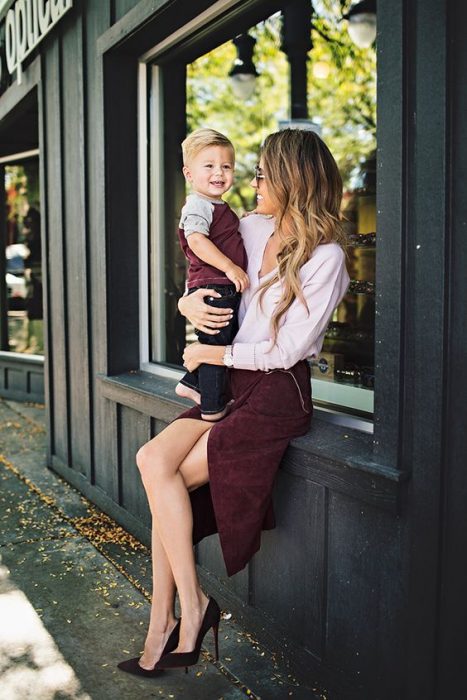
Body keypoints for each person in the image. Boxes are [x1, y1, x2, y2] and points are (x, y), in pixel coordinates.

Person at [117, 128, 350, 679]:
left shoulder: (327, 257)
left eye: (263, 174)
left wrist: (210, 356)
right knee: (153, 461)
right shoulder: (249, 226)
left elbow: (287, 347)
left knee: (166, 479)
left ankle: (172, 622)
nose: (251, 182)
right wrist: (186, 303)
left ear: (291, 180)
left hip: (274, 392)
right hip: (225, 379)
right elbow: (204, 275)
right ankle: (185, 609)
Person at [175, 127, 249, 421]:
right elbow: (196, 241)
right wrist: (230, 267)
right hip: (214, 286)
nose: (219, 172)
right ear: (189, 174)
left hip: (220, 286)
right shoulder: (197, 204)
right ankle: (212, 409)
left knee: (219, 341)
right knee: (216, 349)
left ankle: (190, 384)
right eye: (209, 166)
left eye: (226, 166)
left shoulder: (219, 206)